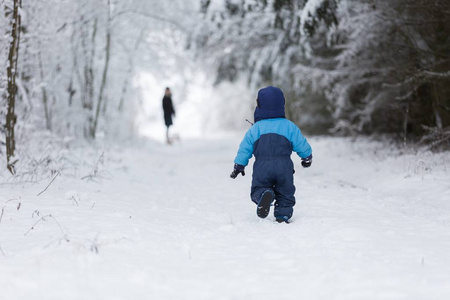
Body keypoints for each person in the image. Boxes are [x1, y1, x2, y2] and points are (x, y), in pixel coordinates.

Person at [230, 86, 313, 223]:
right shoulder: (289, 126)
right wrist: (307, 157)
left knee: (258, 187)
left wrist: (239, 165)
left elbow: (245, 148)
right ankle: (283, 214)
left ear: (259, 105)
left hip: (262, 167)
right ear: (282, 104)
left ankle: (263, 194)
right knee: (285, 192)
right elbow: (301, 143)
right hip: (284, 167)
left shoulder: (256, 128)